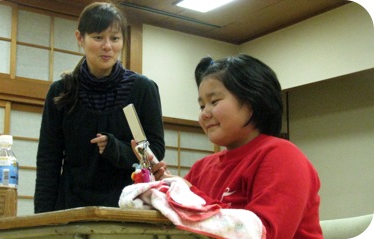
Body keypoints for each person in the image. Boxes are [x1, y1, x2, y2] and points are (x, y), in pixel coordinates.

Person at [140, 53, 323, 238]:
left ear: (252, 101)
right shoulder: (202, 168)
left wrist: (190, 194)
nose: (204, 114)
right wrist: (163, 190)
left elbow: (264, 234)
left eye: (214, 102)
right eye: (202, 106)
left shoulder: (282, 156)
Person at [34, 2, 165, 213]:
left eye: (115, 38)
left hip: (127, 207)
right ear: (80, 38)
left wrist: (117, 148)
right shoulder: (61, 91)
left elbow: (155, 151)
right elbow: (48, 160)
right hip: (71, 207)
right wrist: (41, 218)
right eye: (98, 37)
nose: (107, 46)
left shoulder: (143, 89)